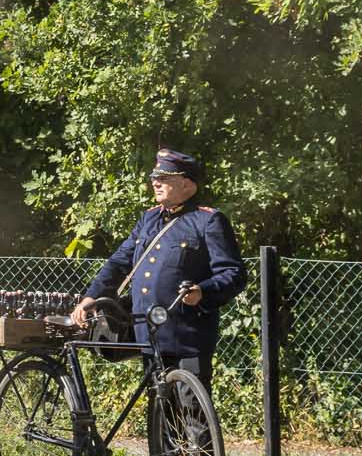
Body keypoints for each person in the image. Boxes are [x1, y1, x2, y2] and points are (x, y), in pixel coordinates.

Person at [77, 148, 244, 376]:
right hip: (148, 334)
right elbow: (118, 263)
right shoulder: (149, 219)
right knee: (157, 408)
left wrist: (202, 291)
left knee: (190, 410)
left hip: (187, 336)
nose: (156, 183)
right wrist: (91, 297)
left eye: (164, 178)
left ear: (187, 184)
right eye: (155, 178)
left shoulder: (208, 221)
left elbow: (233, 273)